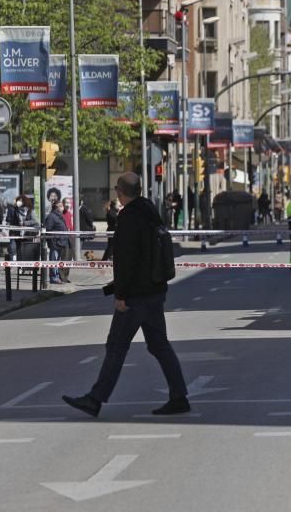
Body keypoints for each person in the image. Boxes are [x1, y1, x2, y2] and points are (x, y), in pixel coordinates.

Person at [62, 172, 189, 418]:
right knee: (159, 345)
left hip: (135, 296)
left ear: (120, 192)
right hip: (154, 291)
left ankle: (95, 399)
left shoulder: (129, 217)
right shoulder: (150, 212)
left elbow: (126, 261)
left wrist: (120, 295)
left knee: (116, 346)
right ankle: (179, 395)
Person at [43, 200, 68, 284]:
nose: (62, 207)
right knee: (53, 260)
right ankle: (54, 277)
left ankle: (56, 276)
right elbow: (48, 229)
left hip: (60, 242)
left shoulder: (59, 216)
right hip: (55, 242)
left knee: (57, 260)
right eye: (60, 205)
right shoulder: (52, 216)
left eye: (62, 205)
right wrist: (55, 238)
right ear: (56, 207)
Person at [5, 196, 36, 261]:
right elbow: (8, 220)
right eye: (18, 200)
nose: (19, 202)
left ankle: (22, 266)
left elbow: (34, 221)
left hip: (26, 234)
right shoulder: (13, 209)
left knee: (22, 251)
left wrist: (25, 223)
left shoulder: (30, 210)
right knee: (12, 248)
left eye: (21, 201)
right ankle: (11, 265)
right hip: (14, 233)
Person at [60, 198, 74, 282]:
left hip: (70, 238)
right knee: (64, 257)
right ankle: (62, 276)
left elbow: (70, 226)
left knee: (69, 257)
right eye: (66, 203)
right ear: (63, 204)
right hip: (64, 238)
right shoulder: (61, 214)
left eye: (69, 203)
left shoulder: (69, 213)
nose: (68, 204)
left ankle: (66, 276)